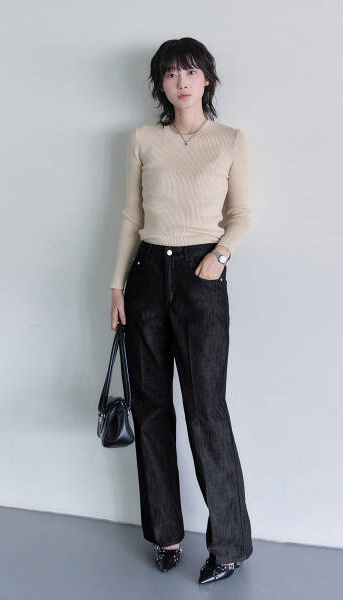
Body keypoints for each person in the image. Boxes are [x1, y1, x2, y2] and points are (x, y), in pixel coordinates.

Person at [109, 37, 253, 585]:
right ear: (160, 85)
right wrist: (117, 285)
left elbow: (241, 213)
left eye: (190, 71)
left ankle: (229, 545)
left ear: (207, 78)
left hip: (201, 277)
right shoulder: (143, 139)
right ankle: (165, 535)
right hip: (147, 274)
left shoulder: (230, 140)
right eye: (170, 74)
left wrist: (220, 256)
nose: (181, 82)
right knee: (150, 408)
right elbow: (131, 216)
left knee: (206, 410)